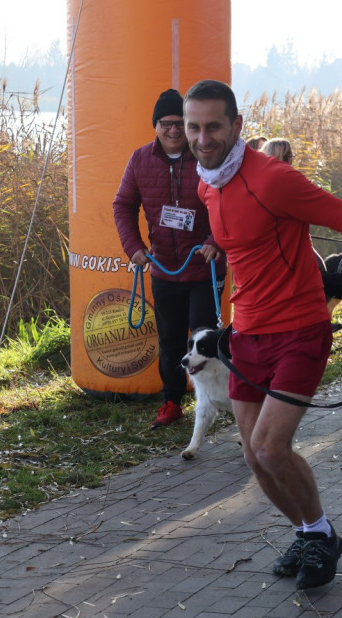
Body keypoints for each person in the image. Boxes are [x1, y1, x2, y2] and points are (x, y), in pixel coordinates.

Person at [183, 79, 342, 590]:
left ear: (237, 126)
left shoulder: (270, 178)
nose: (203, 137)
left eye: (214, 126)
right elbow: (241, 247)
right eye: (193, 127)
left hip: (299, 330)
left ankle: (320, 535)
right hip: (246, 334)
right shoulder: (206, 182)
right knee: (253, 455)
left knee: (270, 447)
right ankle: (314, 532)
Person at [113, 88, 226, 428]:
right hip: (162, 269)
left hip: (204, 269)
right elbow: (123, 205)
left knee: (205, 339)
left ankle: (213, 402)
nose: (174, 130)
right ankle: (172, 402)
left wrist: (214, 241)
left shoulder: (207, 155)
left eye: (181, 123)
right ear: (156, 125)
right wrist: (134, 247)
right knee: (170, 339)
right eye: (166, 123)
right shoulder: (139, 160)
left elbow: (228, 203)